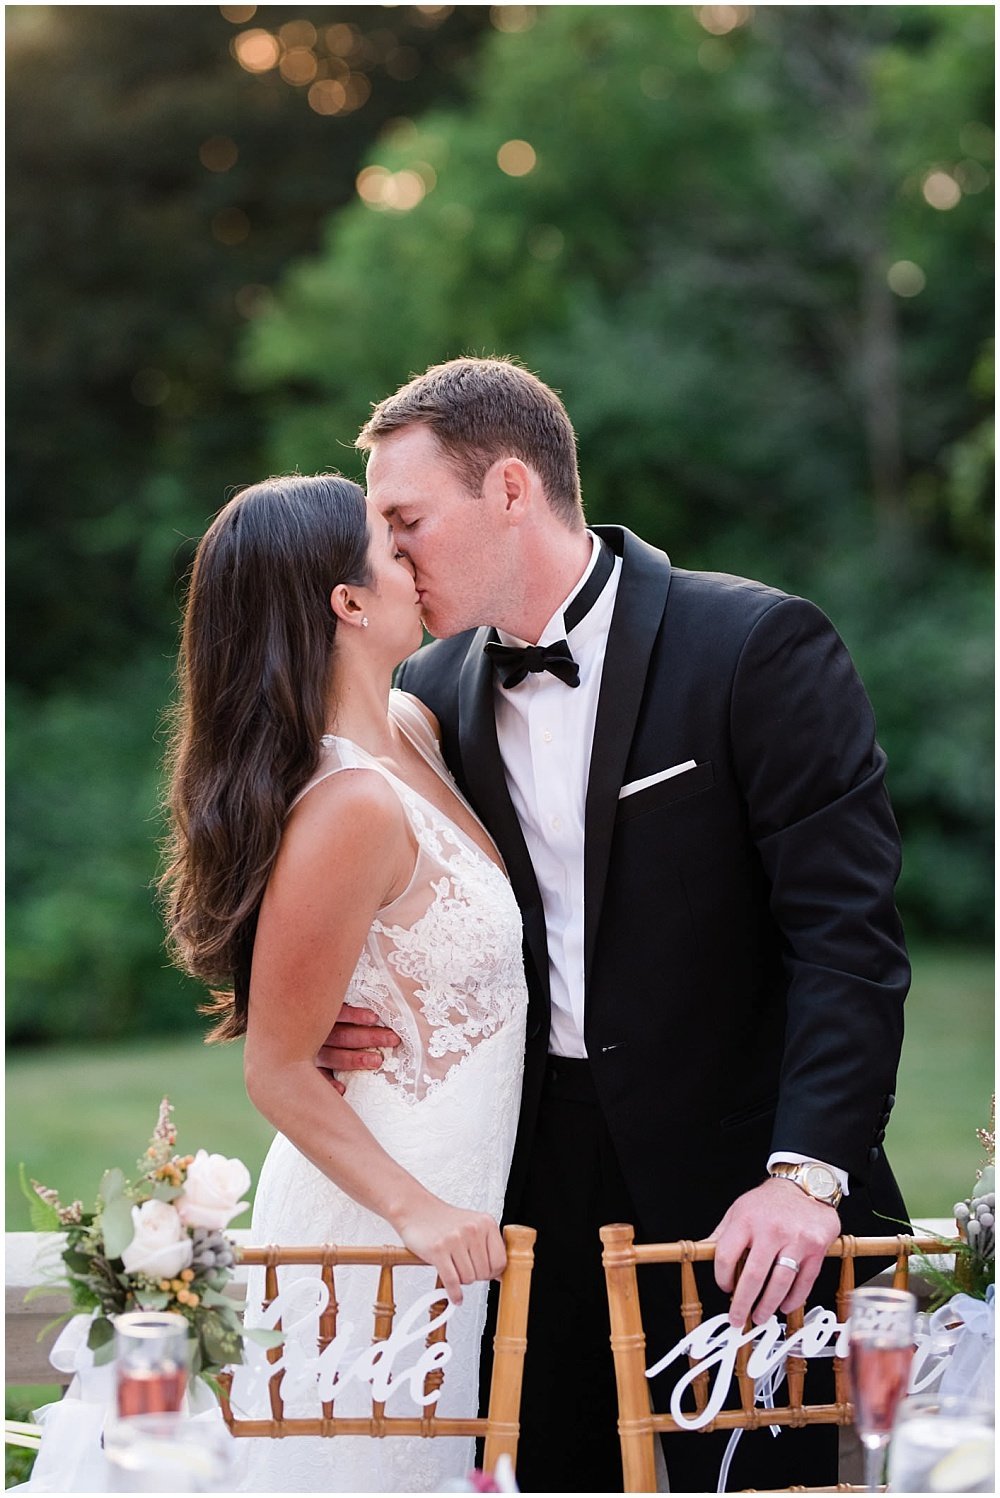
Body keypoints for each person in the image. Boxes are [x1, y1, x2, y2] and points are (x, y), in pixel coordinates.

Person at [321, 356, 910, 1493]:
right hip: (529, 1190)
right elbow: (342, 868)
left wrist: (805, 1177)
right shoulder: (429, 696)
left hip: (737, 1200)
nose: (389, 557)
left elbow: (847, 935)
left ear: (507, 489)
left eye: (406, 521)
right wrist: (313, 1006)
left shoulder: (756, 647)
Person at [159, 474, 529, 1493]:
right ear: (349, 601)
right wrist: (416, 1213)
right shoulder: (349, 805)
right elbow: (277, 1070)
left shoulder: (414, 726)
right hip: (379, 1233)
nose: (414, 560)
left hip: (456, 1215)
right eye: (391, 543)